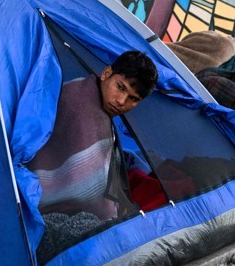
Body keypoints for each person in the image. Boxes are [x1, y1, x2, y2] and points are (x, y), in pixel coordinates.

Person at [26, 51, 158, 222]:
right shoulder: (84, 107)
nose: (121, 101)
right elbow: (88, 193)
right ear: (106, 74)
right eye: (120, 87)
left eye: (133, 98)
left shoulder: (83, 88)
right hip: (40, 202)